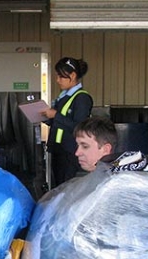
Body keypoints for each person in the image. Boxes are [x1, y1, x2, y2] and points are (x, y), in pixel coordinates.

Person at [41, 57, 93, 187]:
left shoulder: (82, 98)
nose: (57, 80)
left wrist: (55, 115)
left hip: (70, 152)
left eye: (61, 77)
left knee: (65, 187)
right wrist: (47, 119)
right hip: (58, 150)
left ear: (73, 75)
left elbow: (79, 126)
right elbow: (60, 124)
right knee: (57, 186)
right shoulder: (63, 97)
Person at [74, 116, 148, 175]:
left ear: (106, 149)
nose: (77, 153)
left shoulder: (128, 179)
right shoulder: (102, 175)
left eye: (85, 146)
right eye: (77, 145)